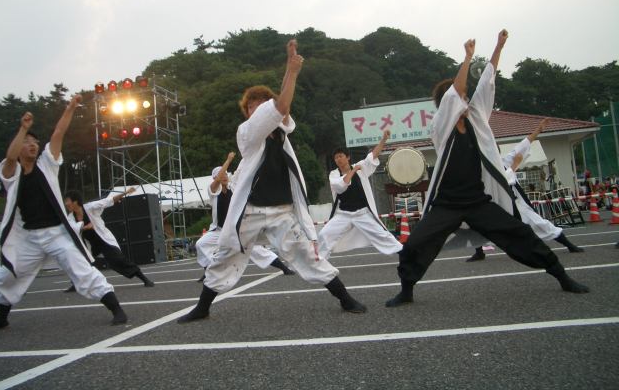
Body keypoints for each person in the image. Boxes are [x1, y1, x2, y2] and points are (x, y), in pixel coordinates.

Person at [386, 30, 589, 309]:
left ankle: (561, 276)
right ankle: (406, 290)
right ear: (447, 103)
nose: (465, 99)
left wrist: (498, 47)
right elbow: (454, 94)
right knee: (414, 245)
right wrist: (467, 58)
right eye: (461, 96)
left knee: (520, 234)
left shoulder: (477, 119)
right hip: (447, 204)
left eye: (465, 96)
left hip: (477, 201)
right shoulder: (440, 126)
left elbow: (487, 83)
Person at [178, 39, 365, 323]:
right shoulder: (246, 134)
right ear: (248, 115)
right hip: (250, 210)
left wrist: (290, 74)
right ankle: (202, 307)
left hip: (280, 210)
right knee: (226, 255)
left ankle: (345, 297)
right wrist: (291, 71)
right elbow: (280, 107)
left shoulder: (282, 134)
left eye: (261, 106)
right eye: (252, 108)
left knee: (306, 254)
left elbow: (283, 111)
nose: (258, 112)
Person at [0, 98, 127, 332]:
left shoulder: (47, 164)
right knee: (7, 277)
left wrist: (70, 108)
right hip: (28, 238)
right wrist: (23, 129)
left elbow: (58, 133)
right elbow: (10, 158)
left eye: (35, 142)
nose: (32, 145)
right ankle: (1, 318)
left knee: (82, 270)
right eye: (27, 142)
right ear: (18, 146)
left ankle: (117, 310)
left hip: (56, 233)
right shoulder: (11, 174)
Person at [466, 118, 584, 261]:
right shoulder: (484, 169)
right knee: (477, 225)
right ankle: (479, 252)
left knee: (540, 223)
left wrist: (538, 130)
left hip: (515, 205)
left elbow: (522, 146)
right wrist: (515, 165)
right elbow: (504, 180)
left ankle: (569, 245)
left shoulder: (503, 162)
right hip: (497, 206)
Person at [195, 152, 295, 282]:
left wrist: (249, 153)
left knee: (257, 250)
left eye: (225, 174)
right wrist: (228, 160)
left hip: (237, 230)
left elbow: (242, 169)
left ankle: (284, 268)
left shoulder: (234, 187)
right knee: (201, 244)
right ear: (215, 178)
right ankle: (209, 271)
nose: (224, 176)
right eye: (221, 174)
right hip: (219, 231)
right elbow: (218, 180)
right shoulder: (213, 192)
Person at [318, 130, 402, 259]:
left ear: (347, 157)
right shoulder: (334, 174)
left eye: (340, 156)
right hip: (343, 214)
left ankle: (403, 252)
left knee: (382, 235)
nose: (338, 159)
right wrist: (354, 170)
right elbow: (342, 185)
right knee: (324, 234)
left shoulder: (360, 167)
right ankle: (319, 260)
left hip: (362, 213)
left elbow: (372, 156)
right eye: (336, 158)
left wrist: (384, 139)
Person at [63, 187, 155, 291]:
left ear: (75, 201)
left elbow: (107, 201)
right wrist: (85, 227)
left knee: (118, 259)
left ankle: (144, 279)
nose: (66, 204)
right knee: (80, 262)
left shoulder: (90, 207)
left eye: (67, 201)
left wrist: (125, 193)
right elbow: (71, 229)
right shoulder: (70, 217)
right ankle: (76, 284)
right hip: (90, 244)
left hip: (103, 241)